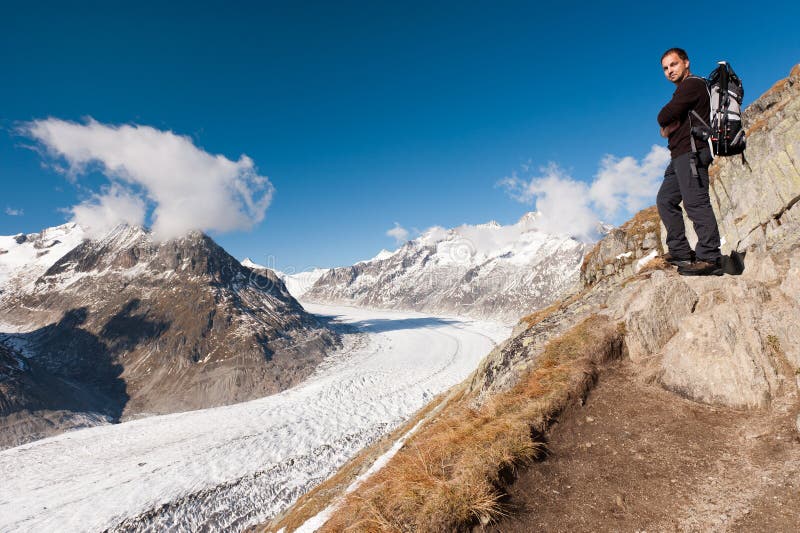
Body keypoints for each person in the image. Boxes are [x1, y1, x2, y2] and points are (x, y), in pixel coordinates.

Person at [656, 47, 723, 276]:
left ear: (686, 63)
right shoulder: (683, 90)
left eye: (673, 65)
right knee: (665, 200)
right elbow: (670, 119)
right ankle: (680, 251)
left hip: (693, 152)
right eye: (665, 68)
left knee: (696, 203)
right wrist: (670, 123)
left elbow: (664, 116)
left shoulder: (692, 85)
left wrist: (668, 122)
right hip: (679, 156)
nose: (669, 71)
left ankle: (710, 257)